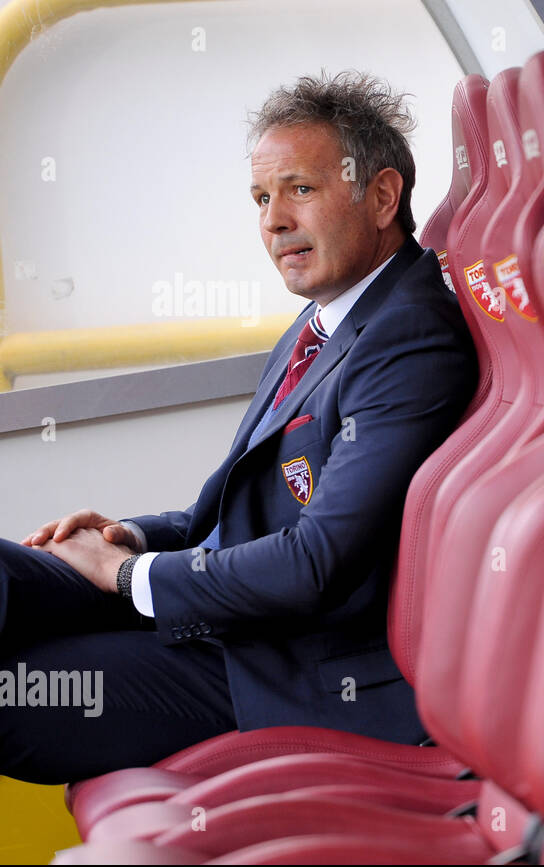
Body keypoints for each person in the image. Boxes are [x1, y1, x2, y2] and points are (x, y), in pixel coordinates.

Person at [0, 70, 477, 784]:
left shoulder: (410, 337)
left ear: (382, 196)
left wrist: (129, 577)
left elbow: (319, 561)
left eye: (300, 190)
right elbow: (218, 513)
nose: (274, 220)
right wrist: (130, 538)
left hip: (289, 668)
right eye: (261, 198)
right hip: (226, 613)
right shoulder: (324, 318)